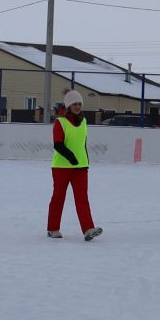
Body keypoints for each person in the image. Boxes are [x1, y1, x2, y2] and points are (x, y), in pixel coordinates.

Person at [48, 91, 102, 240]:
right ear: (68, 106)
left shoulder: (84, 121)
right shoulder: (60, 122)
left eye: (79, 104)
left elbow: (82, 144)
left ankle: (88, 229)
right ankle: (53, 228)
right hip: (61, 167)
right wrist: (71, 157)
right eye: (74, 104)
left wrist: (83, 161)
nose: (77, 106)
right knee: (58, 197)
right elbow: (58, 145)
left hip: (81, 167)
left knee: (82, 199)